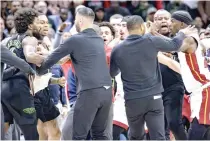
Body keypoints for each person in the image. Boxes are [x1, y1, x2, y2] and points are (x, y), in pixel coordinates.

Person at [110, 15, 194, 140]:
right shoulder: (150, 40)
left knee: (136, 136)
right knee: (158, 136)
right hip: (153, 98)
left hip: (132, 99)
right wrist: (182, 33)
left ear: (127, 28)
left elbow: (112, 73)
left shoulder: (117, 49)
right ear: (142, 27)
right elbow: (174, 45)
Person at [37, 7, 112, 140]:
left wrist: (37, 71)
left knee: (78, 136)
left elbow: (51, 59)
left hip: (89, 92)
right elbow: (71, 58)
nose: (75, 22)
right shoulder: (99, 40)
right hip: (106, 92)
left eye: (76, 20)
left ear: (81, 20)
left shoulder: (75, 39)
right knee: (100, 135)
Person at [1, 8, 45, 140]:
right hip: (20, 90)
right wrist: (49, 58)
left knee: (5, 130)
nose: (41, 25)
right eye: (38, 22)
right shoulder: (30, 38)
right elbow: (30, 55)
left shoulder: (5, 41)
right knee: (31, 132)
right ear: (30, 25)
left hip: (3, 89)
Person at [170, 10, 210, 140]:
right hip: (199, 91)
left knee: (197, 131)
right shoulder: (191, 38)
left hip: (204, 89)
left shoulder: (188, 39)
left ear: (181, 24)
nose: (170, 24)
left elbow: (171, 46)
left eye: (172, 21)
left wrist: (151, 36)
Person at [154, 9, 187, 140]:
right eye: (158, 19)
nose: (162, 21)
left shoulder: (180, 40)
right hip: (154, 88)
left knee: (174, 123)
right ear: (152, 22)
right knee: (160, 128)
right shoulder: (148, 40)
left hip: (174, 86)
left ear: (171, 22)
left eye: (165, 19)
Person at [0, 44, 36, 140]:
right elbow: (19, 63)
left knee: (6, 126)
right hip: (17, 91)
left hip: (5, 91)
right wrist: (32, 73)